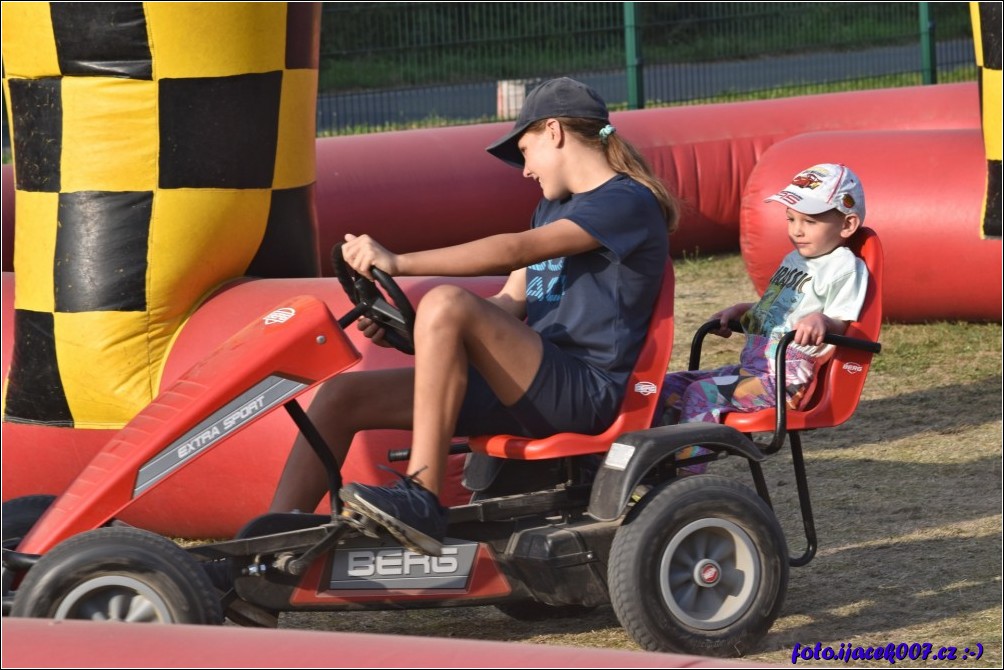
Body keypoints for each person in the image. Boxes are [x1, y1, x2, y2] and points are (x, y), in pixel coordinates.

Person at [268, 77, 678, 556]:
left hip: (585, 392)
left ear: (554, 132)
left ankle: (421, 495)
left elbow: (515, 251)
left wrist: (399, 262)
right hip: (528, 386)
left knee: (447, 300)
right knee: (342, 396)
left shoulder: (626, 202)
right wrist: (416, 330)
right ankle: (270, 543)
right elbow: (507, 304)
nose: (525, 171)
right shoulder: (551, 209)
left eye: (524, 152)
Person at [662, 163, 869, 473]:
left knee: (701, 393)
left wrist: (822, 321)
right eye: (791, 219)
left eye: (810, 221)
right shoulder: (794, 260)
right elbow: (775, 310)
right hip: (754, 369)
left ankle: (686, 478)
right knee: (667, 386)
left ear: (848, 224)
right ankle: (656, 468)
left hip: (785, 382)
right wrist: (744, 311)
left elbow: (843, 321)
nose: (796, 230)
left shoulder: (844, 266)